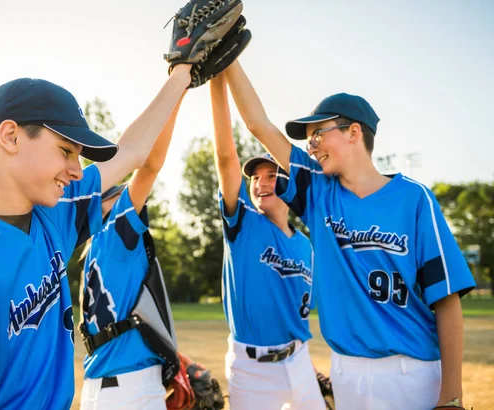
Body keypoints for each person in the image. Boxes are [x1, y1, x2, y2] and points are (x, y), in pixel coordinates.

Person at [0, 65, 193, 410]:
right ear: (10, 137)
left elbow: (132, 152)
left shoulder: (54, 213)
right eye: (66, 151)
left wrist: (183, 71)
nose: (76, 170)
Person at [223, 59, 476, 409]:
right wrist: (230, 56)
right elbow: (258, 125)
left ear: (354, 132)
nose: (310, 146)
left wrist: (451, 397)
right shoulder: (318, 192)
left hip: (412, 372)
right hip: (347, 374)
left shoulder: (414, 199)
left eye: (318, 134)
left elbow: (446, 299)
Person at [209, 72, 325, 409]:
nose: (260, 182)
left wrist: (306, 367)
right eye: (255, 177)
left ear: (289, 183)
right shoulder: (243, 223)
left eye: (271, 175)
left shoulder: (307, 245)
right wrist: (216, 79)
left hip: (300, 363)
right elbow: (225, 159)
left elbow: (301, 313)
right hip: (251, 370)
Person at [78, 93, 184, 410]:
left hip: (101, 386)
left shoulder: (91, 248)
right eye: (120, 192)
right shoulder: (114, 236)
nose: (130, 193)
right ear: (103, 203)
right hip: (131, 391)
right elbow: (150, 165)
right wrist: (179, 90)